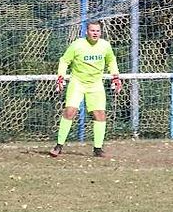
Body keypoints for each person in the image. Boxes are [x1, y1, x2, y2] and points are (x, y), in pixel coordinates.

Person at [49, 21, 122, 158]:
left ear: (101, 32)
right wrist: (60, 77)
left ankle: (98, 149)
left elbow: (111, 61)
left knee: (100, 114)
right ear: (86, 32)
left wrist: (116, 77)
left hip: (95, 84)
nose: (95, 33)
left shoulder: (105, 46)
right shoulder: (77, 45)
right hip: (77, 83)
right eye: (92, 30)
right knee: (70, 111)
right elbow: (64, 60)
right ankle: (58, 146)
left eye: (97, 31)